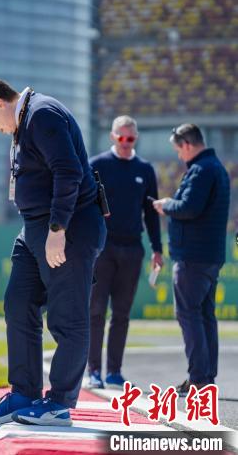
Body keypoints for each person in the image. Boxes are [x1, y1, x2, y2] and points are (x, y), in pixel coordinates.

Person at [0, 77, 106, 427]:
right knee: (18, 302)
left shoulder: (42, 114)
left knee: (67, 317)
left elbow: (68, 171)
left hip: (67, 229)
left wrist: (57, 229)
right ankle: (24, 392)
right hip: (34, 230)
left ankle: (58, 403)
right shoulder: (24, 123)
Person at [86, 115, 163, 389]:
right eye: (122, 137)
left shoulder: (145, 169)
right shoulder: (96, 165)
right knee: (95, 311)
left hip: (132, 249)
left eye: (131, 138)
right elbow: (84, 206)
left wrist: (157, 249)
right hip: (102, 248)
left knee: (122, 314)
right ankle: (93, 371)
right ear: (112, 136)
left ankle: (114, 372)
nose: (126, 143)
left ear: (136, 138)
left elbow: (151, 215)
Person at [152, 123, 229, 395]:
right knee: (205, 316)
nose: (179, 156)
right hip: (209, 255)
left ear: (186, 144)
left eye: (178, 149)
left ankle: (198, 379)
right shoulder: (215, 167)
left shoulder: (201, 170)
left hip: (193, 257)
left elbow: (188, 207)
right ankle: (205, 377)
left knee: (188, 314)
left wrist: (166, 205)